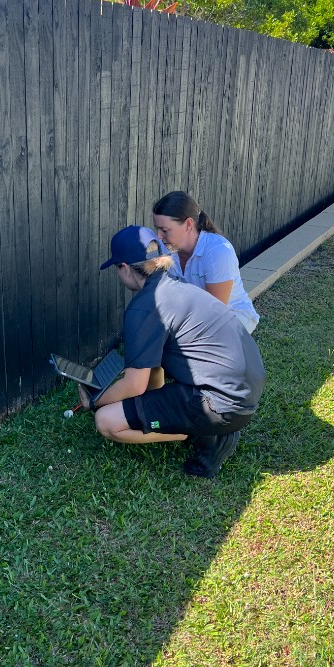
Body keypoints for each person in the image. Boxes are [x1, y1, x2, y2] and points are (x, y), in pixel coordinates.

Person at [79, 226, 266, 478]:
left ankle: (206, 433)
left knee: (106, 421)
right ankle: (205, 424)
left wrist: (94, 400)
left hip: (221, 404)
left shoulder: (145, 307)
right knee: (142, 403)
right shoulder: (177, 286)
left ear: (124, 267)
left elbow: (134, 385)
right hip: (244, 392)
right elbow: (153, 370)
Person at [152, 190, 259, 333]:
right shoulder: (167, 249)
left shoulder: (218, 251)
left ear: (189, 224)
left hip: (233, 318)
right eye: (157, 229)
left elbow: (215, 314)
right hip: (194, 315)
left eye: (164, 230)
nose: (158, 236)